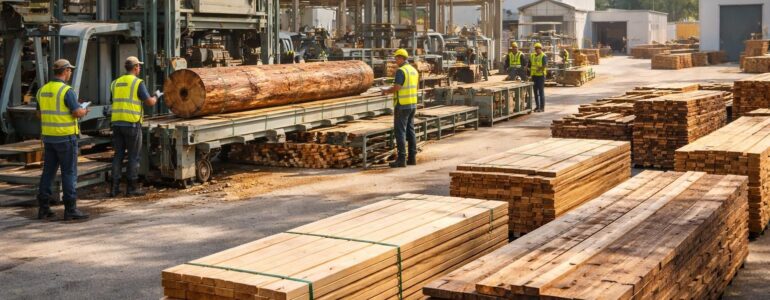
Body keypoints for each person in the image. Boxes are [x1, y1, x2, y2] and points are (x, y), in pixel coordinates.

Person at [36, 59, 89, 220]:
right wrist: (84, 111)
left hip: (49, 139)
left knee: (48, 173)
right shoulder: (66, 91)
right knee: (69, 173)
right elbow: (76, 112)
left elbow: (38, 114)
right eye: (70, 70)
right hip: (65, 138)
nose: (70, 73)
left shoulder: (42, 90)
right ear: (65, 71)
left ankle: (43, 208)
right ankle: (70, 209)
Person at [109, 56, 157, 197]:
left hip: (116, 123)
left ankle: (114, 189)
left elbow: (114, 100)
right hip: (131, 124)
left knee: (118, 156)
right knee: (133, 156)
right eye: (139, 66)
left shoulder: (115, 83)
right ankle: (131, 188)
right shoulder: (137, 83)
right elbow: (149, 102)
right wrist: (156, 96)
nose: (139, 68)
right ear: (135, 67)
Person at [382, 49, 418, 168]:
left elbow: (397, 87)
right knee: (410, 131)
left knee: (400, 132)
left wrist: (386, 91)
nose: (395, 60)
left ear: (402, 58)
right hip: (412, 104)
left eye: (397, 58)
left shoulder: (401, 71)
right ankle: (412, 158)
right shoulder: (413, 70)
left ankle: (401, 159)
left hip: (402, 105)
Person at [528, 43, 548, 112]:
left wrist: (539, 69)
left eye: (538, 48)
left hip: (541, 76)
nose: (537, 50)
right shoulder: (532, 56)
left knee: (541, 92)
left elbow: (545, 65)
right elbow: (529, 65)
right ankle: (537, 106)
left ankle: (542, 108)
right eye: (536, 48)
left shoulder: (543, 56)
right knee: (535, 92)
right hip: (534, 76)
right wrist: (528, 70)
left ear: (541, 49)